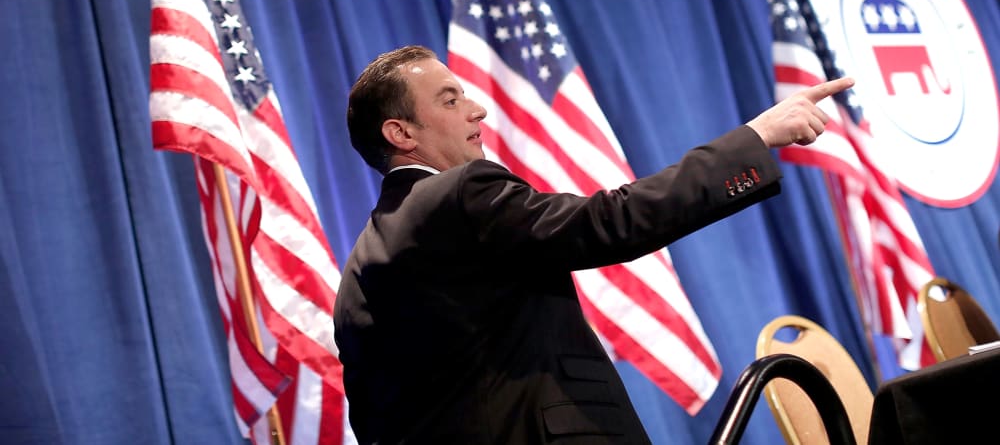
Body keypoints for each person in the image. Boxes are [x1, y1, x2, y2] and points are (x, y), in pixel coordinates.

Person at [334, 45, 853, 444]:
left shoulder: (357, 272)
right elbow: (612, 221)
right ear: (401, 133)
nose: (478, 111)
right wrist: (756, 138)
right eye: (450, 99)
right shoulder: (456, 194)